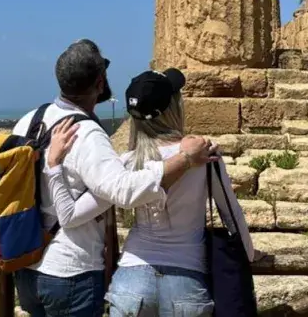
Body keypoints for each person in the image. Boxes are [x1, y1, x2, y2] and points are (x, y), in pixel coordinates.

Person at [12, 40, 220, 317]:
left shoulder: (29, 120)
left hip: (28, 264)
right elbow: (123, 191)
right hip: (70, 270)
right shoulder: (87, 135)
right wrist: (185, 159)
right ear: (100, 82)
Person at [46, 67, 257, 317]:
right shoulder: (205, 156)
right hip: (187, 280)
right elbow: (232, 216)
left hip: (131, 283)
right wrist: (250, 256)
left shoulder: (125, 164)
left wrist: (54, 166)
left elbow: (70, 216)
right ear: (174, 108)